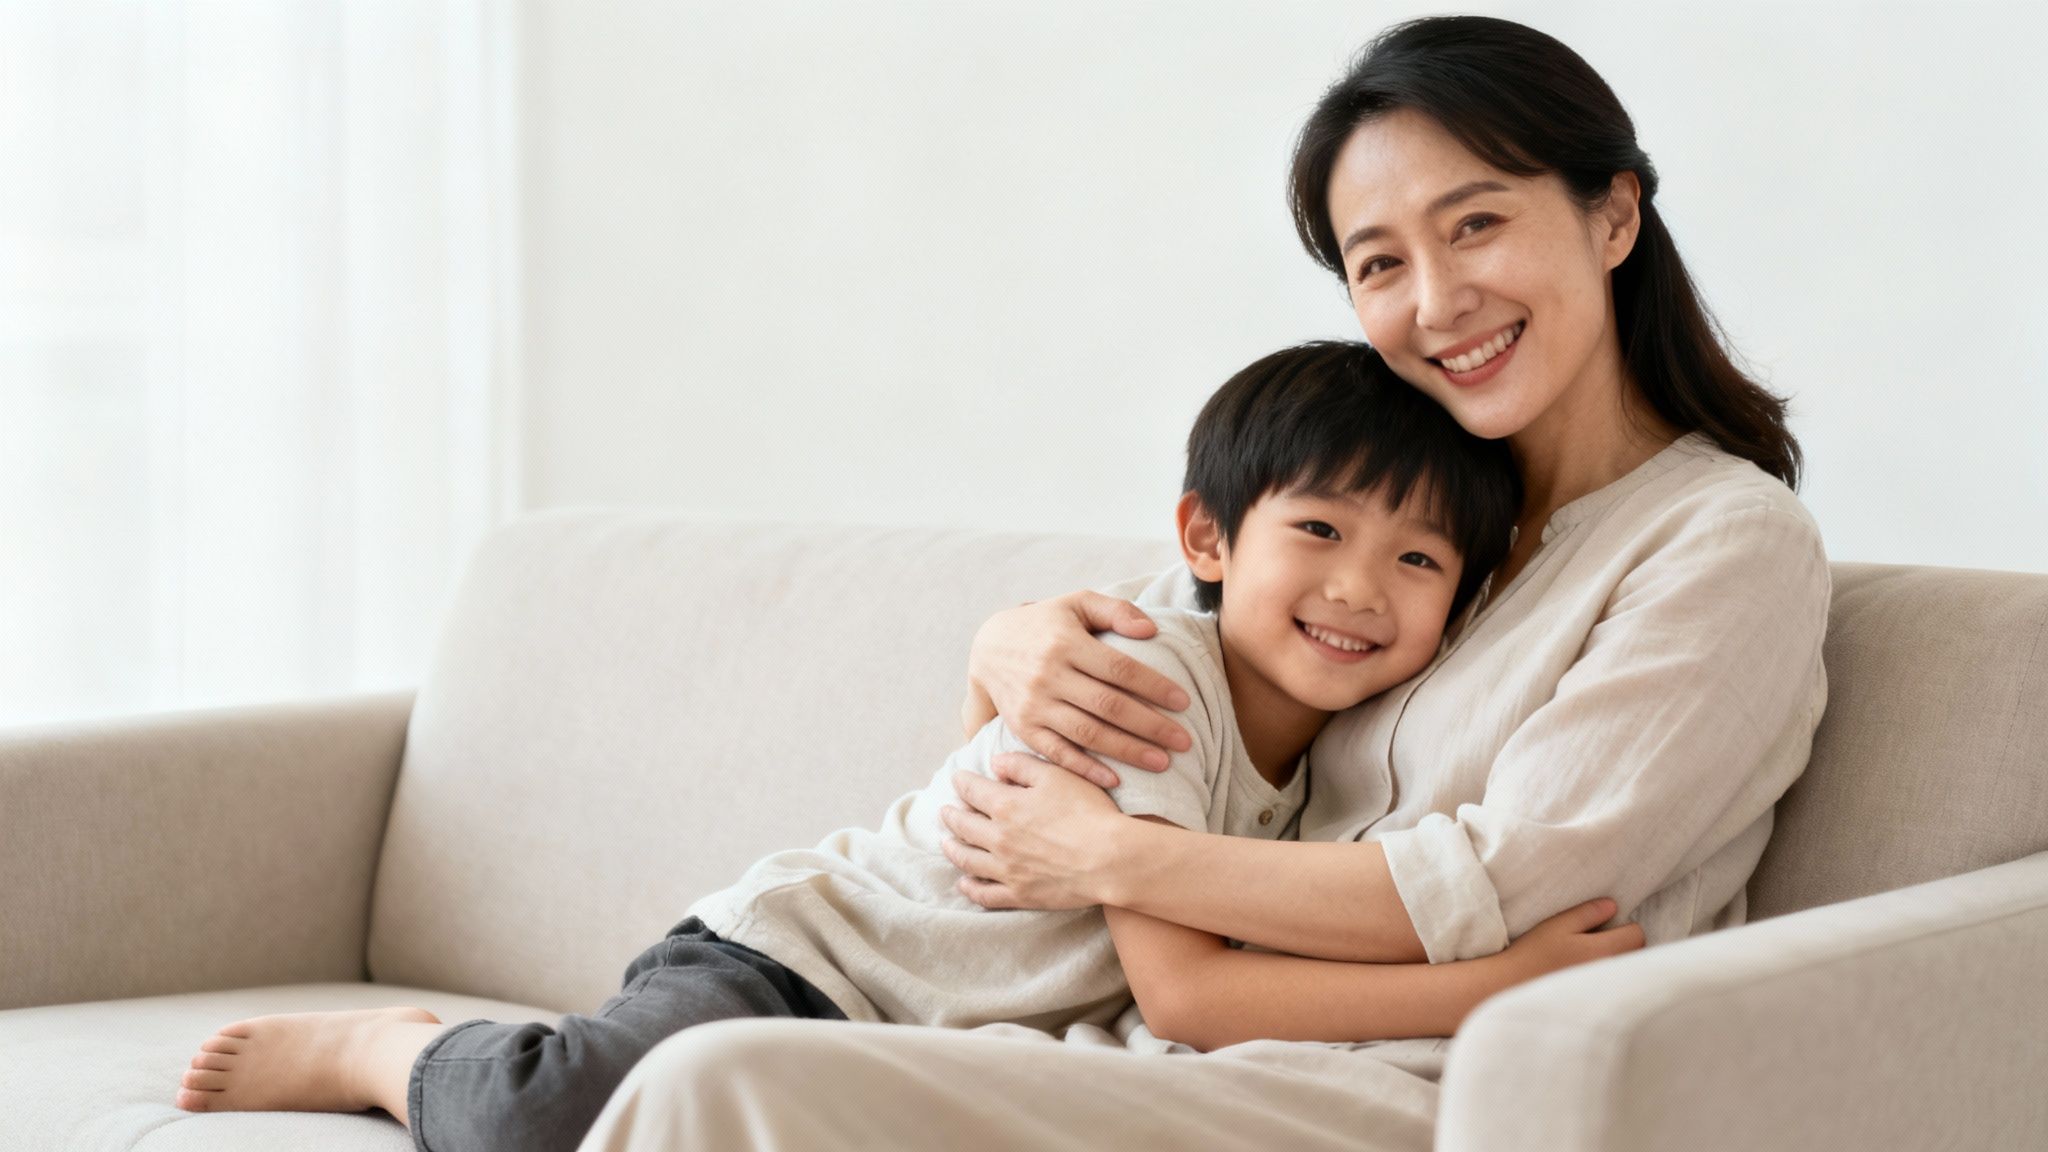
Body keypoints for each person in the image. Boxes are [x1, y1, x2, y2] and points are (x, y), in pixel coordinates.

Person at [569, 15, 1830, 1152]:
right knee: (702, 1075)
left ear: (1611, 216)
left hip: (1414, 1083)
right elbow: (1146, 671)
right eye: (1378, 263)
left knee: (722, 1082)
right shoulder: (1425, 521)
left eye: (1475, 224)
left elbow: (1512, 885)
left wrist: (1111, 858)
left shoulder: (1723, 540)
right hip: (1180, 1046)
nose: (1438, 301)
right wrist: (1006, 646)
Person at [171, 341, 1639, 1152]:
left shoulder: (1346, 753)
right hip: (806, 963)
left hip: (904, 1043)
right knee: (549, 1116)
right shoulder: (1145, 684)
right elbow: (1188, 995)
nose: (1360, 589)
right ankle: (393, 1054)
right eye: (1318, 530)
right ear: (1206, 536)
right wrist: (1498, 987)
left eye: (1417, 560)